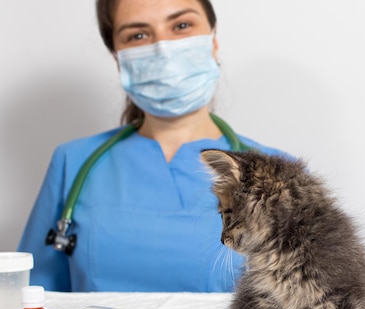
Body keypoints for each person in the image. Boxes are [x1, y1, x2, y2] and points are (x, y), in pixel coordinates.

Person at [18, 0, 288, 292]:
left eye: (182, 26)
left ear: (213, 39)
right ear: (117, 57)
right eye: (138, 35)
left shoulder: (278, 174)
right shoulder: (73, 163)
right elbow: (32, 302)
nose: (163, 49)